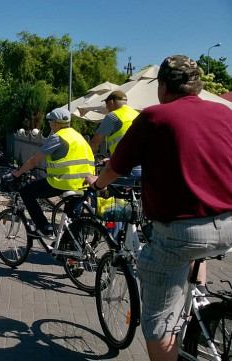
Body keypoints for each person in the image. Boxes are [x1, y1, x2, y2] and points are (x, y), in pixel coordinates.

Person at [84, 55, 232, 361]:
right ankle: (201, 305)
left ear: (163, 87)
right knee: (196, 253)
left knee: (160, 323)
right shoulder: (224, 113)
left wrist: (97, 184)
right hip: (228, 224)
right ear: (197, 85)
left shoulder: (155, 117)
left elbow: (116, 168)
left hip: (182, 231)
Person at [10, 107, 95, 237]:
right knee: (73, 218)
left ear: (55, 122)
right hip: (84, 184)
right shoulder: (80, 137)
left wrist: (18, 172)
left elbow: (34, 161)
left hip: (63, 182)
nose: (50, 124)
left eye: (50, 122)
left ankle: (44, 228)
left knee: (26, 193)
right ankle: (73, 249)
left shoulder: (58, 138)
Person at [88, 90, 141, 186]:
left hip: (124, 168)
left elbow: (95, 143)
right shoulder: (137, 115)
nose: (106, 107)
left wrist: (85, 160)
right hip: (142, 168)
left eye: (106, 103)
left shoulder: (113, 117)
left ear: (111, 102)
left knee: (99, 187)